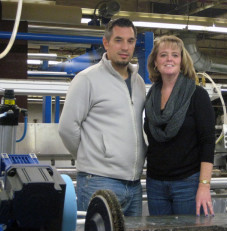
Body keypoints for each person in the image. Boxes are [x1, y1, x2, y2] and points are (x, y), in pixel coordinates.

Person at [58, 18, 146, 216]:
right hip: (98, 181)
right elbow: (66, 128)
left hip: (134, 184)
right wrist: (92, 155)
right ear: (106, 43)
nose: (125, 47)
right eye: (118, 40)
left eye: (130, 41)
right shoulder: (87, 79)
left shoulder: (139, 82)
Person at [144, 35, 215, 216]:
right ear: (155, 62)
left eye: (175, 55)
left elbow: (208, 142)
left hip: (187, 183)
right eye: (163, 55)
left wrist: (204, 186)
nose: (169, 59)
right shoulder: (150, 97)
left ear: (182, 62)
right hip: (155, 183)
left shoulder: (197, 95)